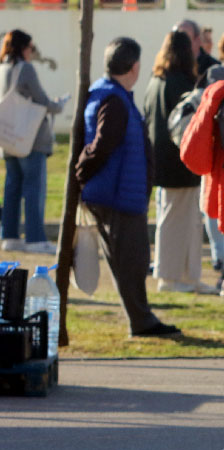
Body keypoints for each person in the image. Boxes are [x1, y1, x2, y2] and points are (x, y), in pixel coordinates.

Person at [75, 37, 181, 338]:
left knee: (131, 262)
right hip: (118, 195)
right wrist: (81, 174)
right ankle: (142, 321)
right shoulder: (114, 100)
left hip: (120, 193)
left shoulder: (108, 94)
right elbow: (101, 145)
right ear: (134, 67)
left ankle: (142, 318)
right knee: (131, 263)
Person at [144, 30, 203, 293]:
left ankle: (186, 276)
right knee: (176, 221)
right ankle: (169, 277)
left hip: (160, 161)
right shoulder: (180, 83)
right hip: (180, 162)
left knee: (179, 219)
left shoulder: (155, 81)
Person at [1, 30, 69, 255]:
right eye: (31, 47)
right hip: (29, 139)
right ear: (23, 48)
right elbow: (41, 99)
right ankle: (35, 238)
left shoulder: (3, 68)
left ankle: (9, 235)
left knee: (12, 188)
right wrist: (58, 105)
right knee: (33, 189)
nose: (32, 51)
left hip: (8, 138)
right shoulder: (25, 68)